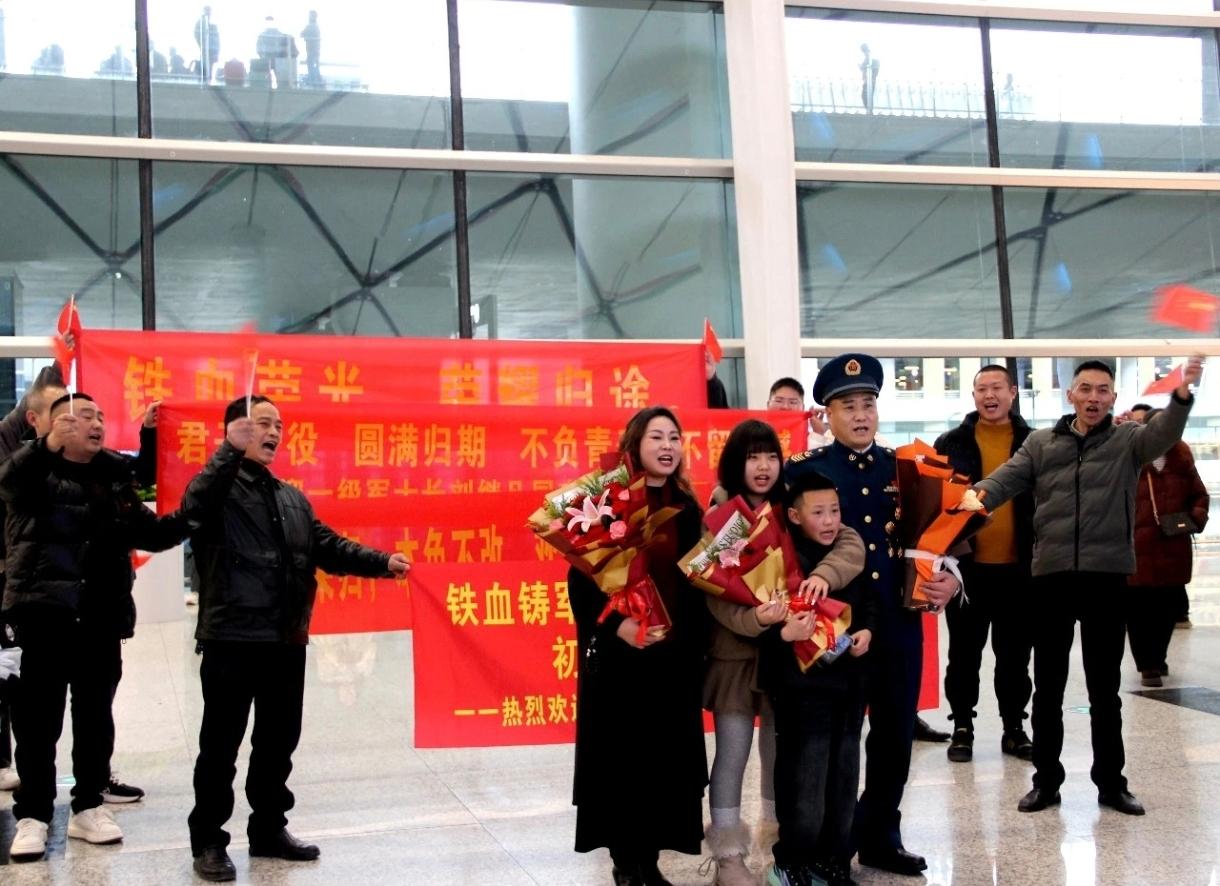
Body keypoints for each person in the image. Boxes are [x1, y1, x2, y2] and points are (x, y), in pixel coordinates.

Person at [182, 395, 409, 882]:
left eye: (278, 426)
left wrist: (382, 562)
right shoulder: (217, 491)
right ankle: (209, 841)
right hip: (232, 639)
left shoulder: (291, 498)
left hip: (286, 640)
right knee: (220, 746)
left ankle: (269, 828)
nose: (273, 433)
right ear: (236, 430)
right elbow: (193, 507)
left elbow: (327, 546)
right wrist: (227, 452)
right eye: (262, 423)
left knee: (277, 742)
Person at [972, 357, 1203, 816]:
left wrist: (1180, 396)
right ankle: (1046, 782)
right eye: (1085, 389)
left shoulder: (1129, 441)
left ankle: (1111, 784)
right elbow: (1003, 482)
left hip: (1106, 578)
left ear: (1113, 398)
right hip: (1052, 578)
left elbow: (1165, 433)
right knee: (1049, 687)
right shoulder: (1041, 443)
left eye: (1102, 390)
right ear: (1070, 395)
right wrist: (968, 498)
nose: (1093, 397)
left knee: (1104, 689)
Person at [785, 353, 959, 877]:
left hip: (898, 622)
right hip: (837, 625)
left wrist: (951, 577)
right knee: (835, 743)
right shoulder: (806, 471)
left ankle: (882, 835)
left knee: (895, 734)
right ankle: (830, 845)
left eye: (868, 404)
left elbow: (939, 537)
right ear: (828, 414)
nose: (861, 415)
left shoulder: (904, 469)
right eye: (848, 406)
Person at [0, 393, 193, 861]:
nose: (96, 423)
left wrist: (198, 507)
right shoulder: (32, 472)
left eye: (100, 416)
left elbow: (154, 533)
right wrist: (44, 446)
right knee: (37, 722)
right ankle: (34, 815)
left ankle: (88, 805)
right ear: (55, 425)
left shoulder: (114, 478)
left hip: (100, 618)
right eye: (84, 415)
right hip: (42, 617)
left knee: (95, 718)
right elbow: (9, 482)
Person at [569, 406, 706, 886]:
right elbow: (582, 577)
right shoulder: (608, 502)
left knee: (663, 763)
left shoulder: (687, 508)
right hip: (622, 658)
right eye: (657, 437)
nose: (668, 446)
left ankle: (649, 862)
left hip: (671, 656)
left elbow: (698, 580)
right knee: (623, 763)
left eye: (674, 437)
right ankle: (626, 863)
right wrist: (617, 628)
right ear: (635, 446)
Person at [761, 470, 870, 886]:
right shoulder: (777, 559)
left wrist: (868, 631)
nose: (829, 521)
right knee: (804, 782)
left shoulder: (847, 551)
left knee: (843, 780)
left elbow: (870, 603)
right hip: (802, 692)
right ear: (793, 515)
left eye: (835, 511)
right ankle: (792, 862)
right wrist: (785, 634)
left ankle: (834, 859)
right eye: (818, 512)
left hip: (849, 686)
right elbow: (765, 628)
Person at [934, 364, 1035, 762]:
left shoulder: (1034, 442)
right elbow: (936, 505)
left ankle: (1014, 728)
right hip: (966, 572)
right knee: (963, 655)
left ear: (1013, 392)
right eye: (981, 389)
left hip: (1020, 570)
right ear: (973, 395)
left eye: (997, 388)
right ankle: (962, 727)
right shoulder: (951, 443)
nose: (989, 395)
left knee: (1015, 657)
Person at [701, 420, 786, 885]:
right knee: (732, 752)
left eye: (771, 456)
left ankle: (777, 848)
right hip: (733, 654)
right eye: (753, 457)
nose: (763, 466)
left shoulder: (788, 510)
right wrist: (754, 620)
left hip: (783, 652)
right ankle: (728, 858)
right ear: (736, 463)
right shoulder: (720, 517)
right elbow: (714, 593)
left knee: (777, 750)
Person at [1122, 404, 1208, 688]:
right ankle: (1147, 665)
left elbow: (1199, 494)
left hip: (1173, 544)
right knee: (1138, 609)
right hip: (1137, 546)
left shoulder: (1181, 454)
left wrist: (1195, 518)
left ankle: (1158, 656)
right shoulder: (1131, 454)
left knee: (1168, 607)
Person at [194, 6, 219, 83]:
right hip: (206, 49)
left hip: (211, 50)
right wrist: (202, 44)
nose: (209, 14)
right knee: (205, 66)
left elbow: (217, 40)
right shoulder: (201, 22)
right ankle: (205, 81)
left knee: (209, 67)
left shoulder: (212, 26)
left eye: (209, 12)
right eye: (208, 11)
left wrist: (216, 52)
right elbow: (197, 34)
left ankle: (208, 81)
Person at [300, 10, 321, 86]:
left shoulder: (311, 26)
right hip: (313, 49)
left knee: (311, 64)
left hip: (312, 49)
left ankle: (313, 80)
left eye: (311, 15)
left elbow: (302, 34)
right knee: (314, 64)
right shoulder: (315, 26)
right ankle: (315, 79)